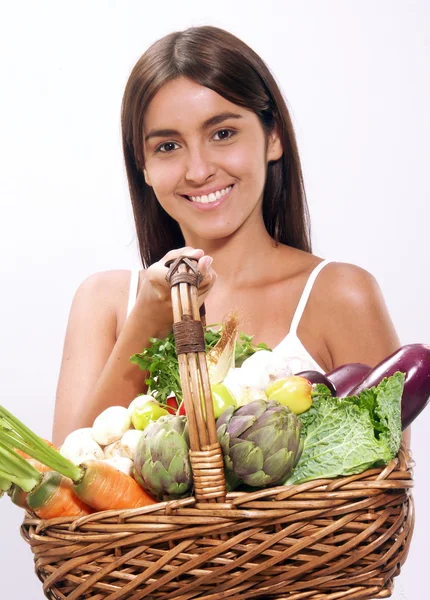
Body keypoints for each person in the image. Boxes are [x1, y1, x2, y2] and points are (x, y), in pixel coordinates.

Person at [52, 26, 407, 447]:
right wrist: (146, 320)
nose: (198, 170)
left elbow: (384, 497)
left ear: (272, 137)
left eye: (222, 134)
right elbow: (62, 490)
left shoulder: (341, 295)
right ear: (143, 166)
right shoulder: (106, 303)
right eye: (167, 146)